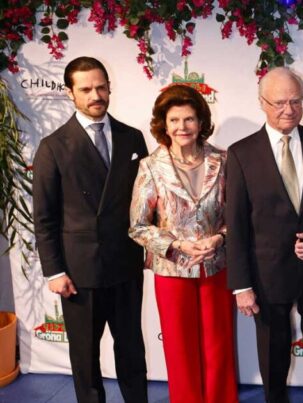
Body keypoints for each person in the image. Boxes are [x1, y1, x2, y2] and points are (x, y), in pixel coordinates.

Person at [226, 67, 303, 403]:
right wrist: (241, 286)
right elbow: (236, 224)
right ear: (262, 103)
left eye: (296, 101)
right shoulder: (241, 153)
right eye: (279, 103)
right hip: (267, 274)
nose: (289, 110)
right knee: (273, 353)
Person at [32, 56, 148, 403]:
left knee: (132, 350)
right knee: (85, 357)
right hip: (79, 271)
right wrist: (54, 271)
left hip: (125, 263)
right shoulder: (53, 146)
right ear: (70, 93)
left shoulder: (132, 137)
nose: (95, 95)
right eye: (85, 89)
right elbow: (44, 217)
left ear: (109, 87)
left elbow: (146, 201)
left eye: (100, 87)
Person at [128, 85, 237, 403]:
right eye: (174, 120)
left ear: (201, 122)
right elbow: (138, 227)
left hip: (216, 265)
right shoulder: (150, 167)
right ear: (164, 124)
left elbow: (238, 215)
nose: (182, 127)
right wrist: (177, 244)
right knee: (179, 349)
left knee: (219, 344)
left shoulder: (223, 160)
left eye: (189, 119)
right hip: (172, 270)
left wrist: (220, 237)